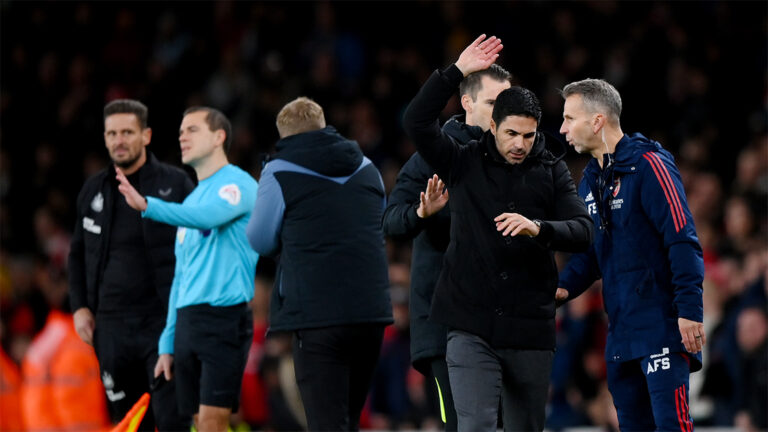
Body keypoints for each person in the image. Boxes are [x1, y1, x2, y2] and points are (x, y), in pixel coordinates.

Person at [402, 35, 593, 431]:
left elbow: (582, 231)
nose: (521, 145)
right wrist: (455, 72)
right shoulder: (461, 161)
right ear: (491, 126)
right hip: (470, 327)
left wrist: (538, 228)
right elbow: (416, 121)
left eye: (529, 135)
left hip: (529, 329)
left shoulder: (552, 169)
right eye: (511, 134)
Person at [556, 78, 705, 431]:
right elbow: (591, 255)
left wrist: (688, 310)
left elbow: (682, 238)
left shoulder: (650, 165)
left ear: (596, 122)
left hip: (663, 327)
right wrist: (560, 289)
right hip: (621, 332)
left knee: (672, 426)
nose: (562, 129)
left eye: (569, 118)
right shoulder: (591, 181)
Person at [246, 97, 392, 431]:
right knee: (349, 422)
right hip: (370, 313)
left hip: (317, 315)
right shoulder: (367, 166)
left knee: (325, 424)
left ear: (284, 137)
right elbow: (375, 223)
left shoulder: (278, 170)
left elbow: (259, 239)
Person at [382, 64, 512, 431]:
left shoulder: (516, 159)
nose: (502, 113)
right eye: (493, 102)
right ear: (467, 103)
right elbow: (390, 221)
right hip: (445, 327)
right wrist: (422, 212)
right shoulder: (433, 154)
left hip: (503, 323)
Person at [115, 106, 259, 431]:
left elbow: (208, 217)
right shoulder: (191, 200)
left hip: (224, 318)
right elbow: (181, 277)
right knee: (196, 422)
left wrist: (148, 205)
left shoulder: (239, 185)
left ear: (219, 137)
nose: (182, 136)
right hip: (188, 323)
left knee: (212, 421)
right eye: (180, 131)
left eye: (192, 129)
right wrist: (167, 343)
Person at [68, 99, 192, 430]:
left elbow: (199, 249)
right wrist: (80, 307)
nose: (118, 140)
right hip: (110, 328)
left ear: (146, 135)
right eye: (111, 133)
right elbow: (77, 254)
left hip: (162, 323)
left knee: (170, 419)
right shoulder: (93, 189)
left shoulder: (176, 184)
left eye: (127, 132)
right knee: (125, 423)